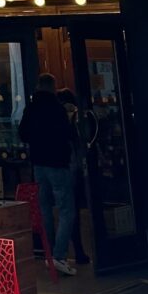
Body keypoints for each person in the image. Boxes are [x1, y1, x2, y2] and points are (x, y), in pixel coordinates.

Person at [18, 73, 77, 275]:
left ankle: (49, 254)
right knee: (66, 209)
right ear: (53, 87)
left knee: (44, 209)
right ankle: (59, 255)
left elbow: (22, 134)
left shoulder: (32, 108)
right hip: (58, 162)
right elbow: (68, 134)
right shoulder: (57, 108)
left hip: (39, 164)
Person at [57, 89, 90, 267]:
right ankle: (74, 251)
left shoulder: (54, 118)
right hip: (73, 166)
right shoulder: (73, 116)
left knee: (68, 210)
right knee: (72, 210)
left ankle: (67, 251)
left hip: (63, 167)